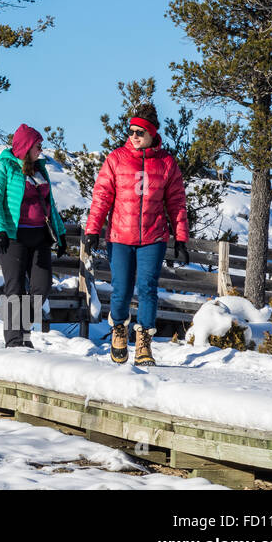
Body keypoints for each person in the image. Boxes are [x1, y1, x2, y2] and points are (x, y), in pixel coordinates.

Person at [83, 103, 189, 366]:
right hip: (120, 236)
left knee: (148, 289)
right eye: (130, 131)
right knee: (121, 289)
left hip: (153, 238)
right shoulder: (116, 159)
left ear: (152, 133)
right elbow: (102, 196)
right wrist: (93, 229)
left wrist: (181, 237)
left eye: (139, 132)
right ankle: (119, 329)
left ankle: (144, 342)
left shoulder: (166, 164)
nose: (134, 136)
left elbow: (176, 202)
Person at [0, 124, 67, 348]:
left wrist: (60, 234)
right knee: (16, 287)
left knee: (42, 287)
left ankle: (22, 328)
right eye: (38, 146)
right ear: (26, 146)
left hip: (40, 236)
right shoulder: (3, 168)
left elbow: (49, 204)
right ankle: (15, 341)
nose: (41, 150)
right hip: (13, 236)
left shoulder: (40, 169)